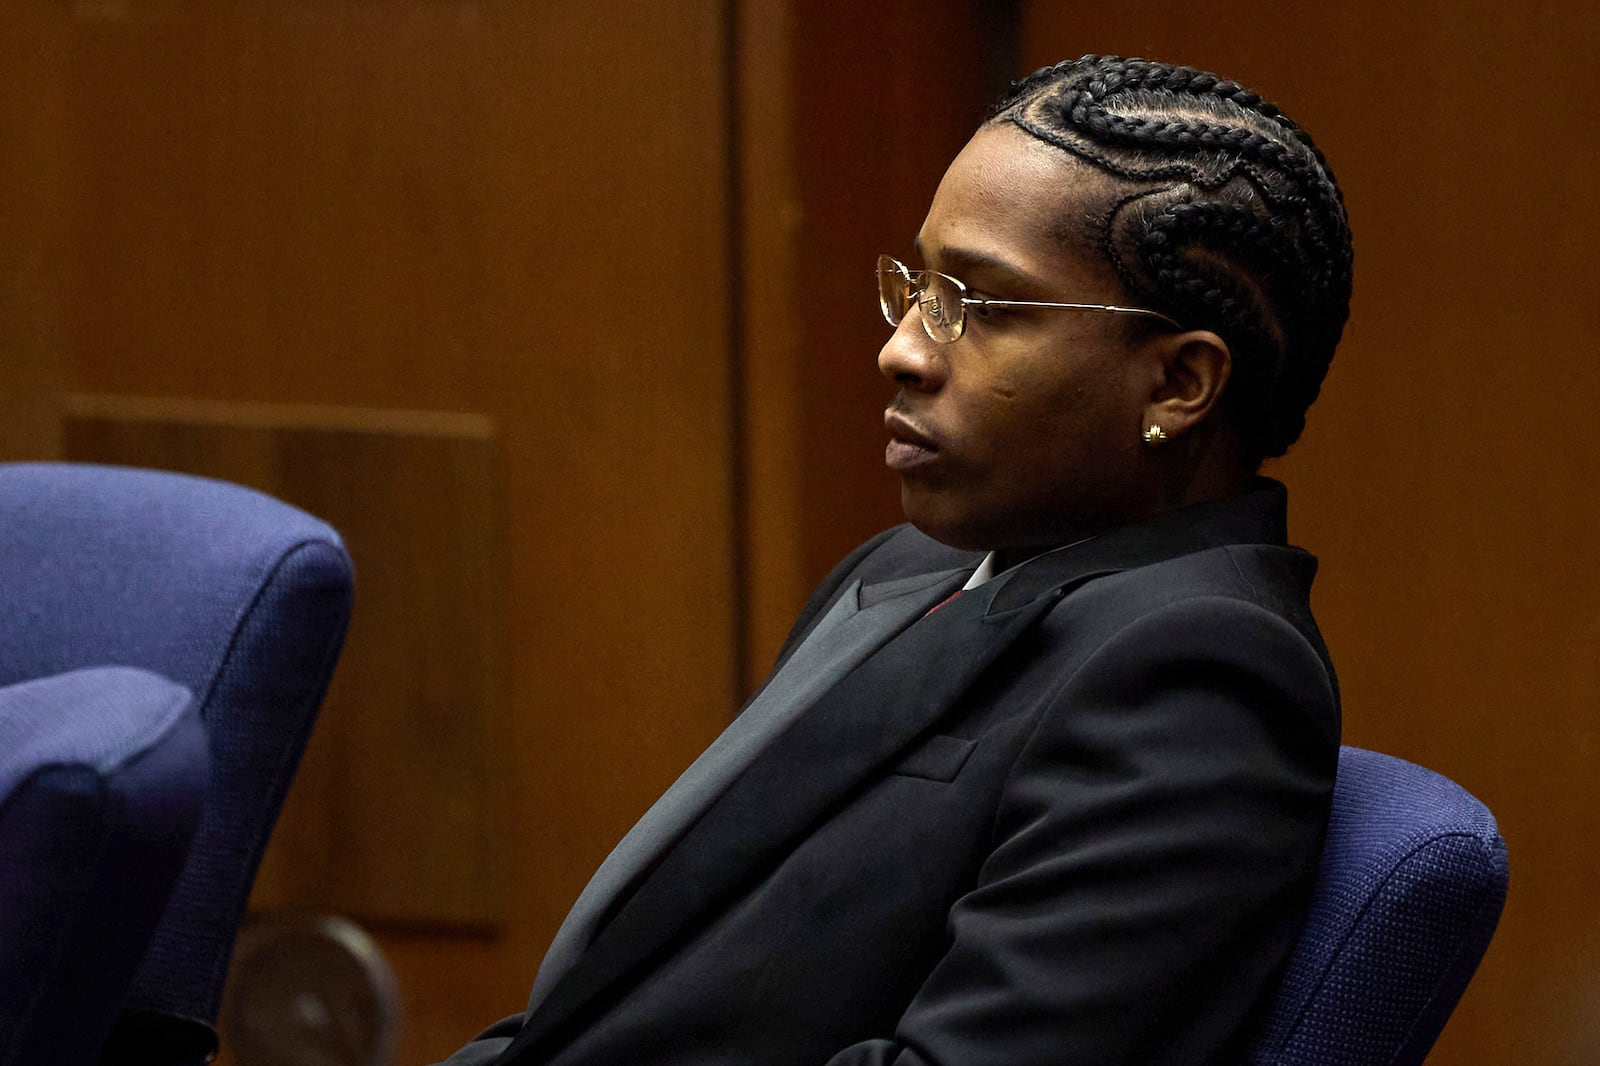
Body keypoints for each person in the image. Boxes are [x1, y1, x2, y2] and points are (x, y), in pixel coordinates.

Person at [438, 54, 1351, 1066]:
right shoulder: (908, 566)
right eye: (917, 286)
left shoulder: (1199, 672)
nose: (905, 349)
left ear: (1179, 383)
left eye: (983, 306)